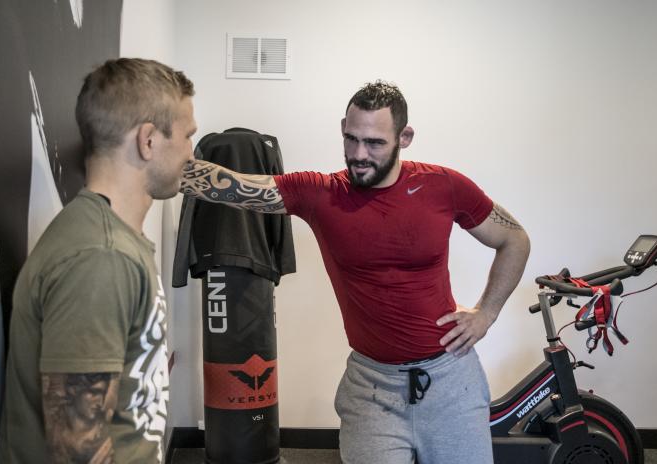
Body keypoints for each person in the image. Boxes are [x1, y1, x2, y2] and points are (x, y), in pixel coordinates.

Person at [180, 80, 530, 463]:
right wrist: (159, 161)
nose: (359, 154)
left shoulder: (442, 186)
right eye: (351, 139)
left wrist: (487, 312)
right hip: (372, 389)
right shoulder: (321, 193)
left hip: (450, 383)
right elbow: (239, 188)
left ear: (405, 136)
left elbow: (514, 239)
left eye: (375, 143)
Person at [0, 58, 197, 463]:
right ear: (148, 140)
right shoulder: (101, 258)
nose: (191, 153)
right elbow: (77, 448)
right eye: (187, 136)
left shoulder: (112, 239)